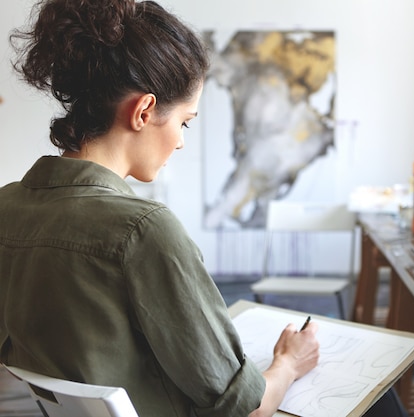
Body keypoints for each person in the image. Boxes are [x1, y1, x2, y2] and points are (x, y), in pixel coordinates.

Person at [0, 1, 319, 416]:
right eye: (184, 122)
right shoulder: (144, 231)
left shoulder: (7, 207)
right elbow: (246, 409)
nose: (182, 141)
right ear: (144, 111)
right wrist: (290, 362)